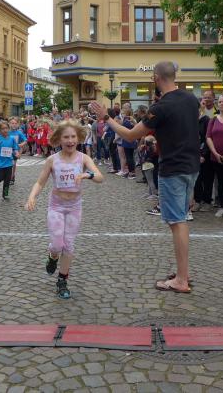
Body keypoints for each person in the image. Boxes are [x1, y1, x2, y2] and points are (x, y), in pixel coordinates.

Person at [89, 61, 198, 293]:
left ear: (156, 78)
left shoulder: (160, 106)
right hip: (191, 166)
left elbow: (130, 135)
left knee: (177, 222)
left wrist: (106, 118)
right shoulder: (191, 99)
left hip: (173, 167)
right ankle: (184, 272)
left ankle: (181, 279)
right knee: (181, 219)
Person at [25, 120, 103, 299]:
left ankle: (62, 281)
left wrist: (88, 174)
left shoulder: (83, 158)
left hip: (74, 207)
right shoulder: (52, 160)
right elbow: (40, 182)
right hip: (57, 207)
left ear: (78, 138)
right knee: (57, 245)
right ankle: (52, 256)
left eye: (73, 136)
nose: (70, 140)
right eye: (66, 137)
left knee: (68, 245)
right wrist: (32, 197)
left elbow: (100, 177)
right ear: (59, 139)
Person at [0, 120, 20, 199]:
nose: (5, 130)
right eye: (3, 129)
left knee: (7, 181)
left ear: (8, 129)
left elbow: (15, 148)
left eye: (6, 128)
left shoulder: (12, 139)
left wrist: (16, 153)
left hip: (9, 163)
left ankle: (5, 194)